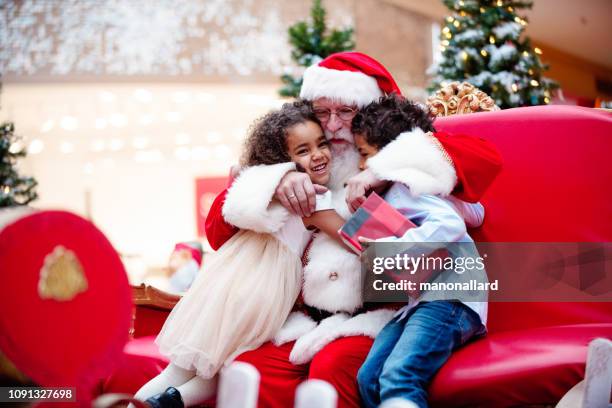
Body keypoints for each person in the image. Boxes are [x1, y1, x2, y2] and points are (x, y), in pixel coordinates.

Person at [204, 52, 502, 408]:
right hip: (305, 318)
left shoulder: (396, 161)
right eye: (321, 112)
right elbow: (218, 234)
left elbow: (481, 168)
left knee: (335, 367)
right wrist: (274, 179)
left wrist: (387, 167)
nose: (331, 126)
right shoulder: (298, 155)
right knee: (252, 368)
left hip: (382, 310)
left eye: (345, 112)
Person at [132, 101, 346, 408]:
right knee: (225, 363)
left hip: (225, 285)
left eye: (321, 144)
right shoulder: (312, 198)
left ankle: (161, 402)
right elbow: (352, 237)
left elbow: (237, 175)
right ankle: (165, 401)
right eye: (303, 151)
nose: (317, 154)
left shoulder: (263, 188)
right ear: (282, 160)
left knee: (204, 365)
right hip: (262, 292)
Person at [352, 95, 488, 408]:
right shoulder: (414, 187)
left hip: (450, 300)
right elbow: (476, 213)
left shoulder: (406, 188)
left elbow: (450, 223)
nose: (361, 165)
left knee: (399, 376)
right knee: (368, 378)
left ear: (389, 156)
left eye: (365, 154)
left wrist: (394, 251)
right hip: (423, 302)